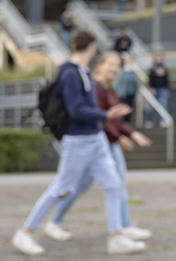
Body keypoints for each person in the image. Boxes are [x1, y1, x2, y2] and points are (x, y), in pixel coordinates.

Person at [11, 30, 146, 256]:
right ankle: (25, 232)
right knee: (60, 188)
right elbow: (76, 110)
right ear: (92, 47)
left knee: (113, 185)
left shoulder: (82, 71)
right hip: (79, 141)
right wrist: (106, 115)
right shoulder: (70, 74)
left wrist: (105, 118)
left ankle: (116, 237)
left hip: (95, 140)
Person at [43, 51, 153, 244]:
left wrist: (132, 134)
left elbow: (114, 119)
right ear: (100, 64)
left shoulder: (110, 89)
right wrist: (119, 138)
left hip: (106, 145)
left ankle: (122, 227)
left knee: (111, 185)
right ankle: (50, 222)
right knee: (76, 186)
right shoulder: (93, 87)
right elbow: (98, 118)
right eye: (110, 64)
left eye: (117, 66)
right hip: (95, 144)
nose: (114, 69)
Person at [146, 52, 169, 128]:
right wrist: (151, 87)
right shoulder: (152, 67)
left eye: (160, 57)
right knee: (150, 107)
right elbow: (150, 78)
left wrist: (168, 88)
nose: (159, 59)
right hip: (154, 89)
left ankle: (162, 120)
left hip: (162, 88)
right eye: (157, 57)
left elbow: (166, 79)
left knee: (163, 106)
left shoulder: (165, 67)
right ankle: (148, 120)